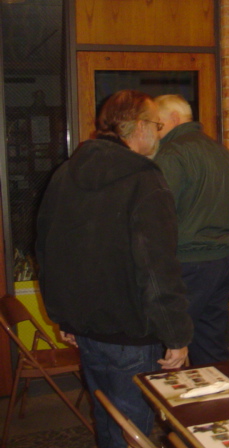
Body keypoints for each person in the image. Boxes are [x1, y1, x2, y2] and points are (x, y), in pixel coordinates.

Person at [36, 89, 193, 448]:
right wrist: (177, 335)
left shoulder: (65, 174)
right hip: (130, 331)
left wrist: (65, 316)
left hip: (87, 327)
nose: (158, 133)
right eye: (155, 124)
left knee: (108, 415)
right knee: (132, 428)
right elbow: (157, 267)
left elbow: (47, 250)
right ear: (138, 127)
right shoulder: (144, 179)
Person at [153, 94, 229, 365]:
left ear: (174, 118)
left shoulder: (170, 154)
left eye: (157, 124)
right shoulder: (221, 151)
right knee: (211, 345)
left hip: (186, 263)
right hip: (221, 262)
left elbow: (157, 211)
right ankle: (219, 404)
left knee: (165, 347)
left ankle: (161, 406)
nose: (154, 131)